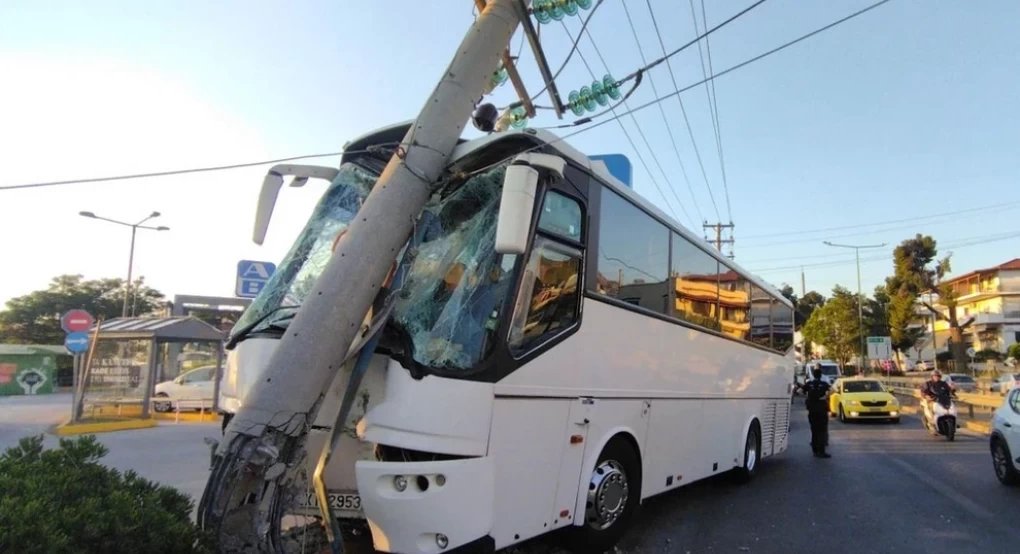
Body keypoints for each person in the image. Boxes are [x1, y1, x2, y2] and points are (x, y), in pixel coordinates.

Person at [797, 363, 832, 458]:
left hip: (812, 410)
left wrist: (807, 396)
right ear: (821, 375)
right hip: (821, 409)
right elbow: (831, 390)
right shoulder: (824, 384)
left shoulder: (809, 383)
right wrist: (824, 397)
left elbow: (799, 391)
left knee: (814, 430)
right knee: (822, 430)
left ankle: (815, 449)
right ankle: (821, 451)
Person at [920, 369, 955, 434]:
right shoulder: (928, 384)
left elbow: (949, 390)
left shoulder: (943, 383)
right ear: (932, 377)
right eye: (935, 376)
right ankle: (931, 424)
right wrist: (926, 396)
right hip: (932, 400)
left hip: (942, 400)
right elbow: (923, 391)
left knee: (950, 408)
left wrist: (952, 390)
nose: (936, 377)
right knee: (930, 409)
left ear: (940, 376)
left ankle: (953, 422)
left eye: (938, 376)